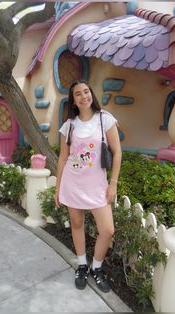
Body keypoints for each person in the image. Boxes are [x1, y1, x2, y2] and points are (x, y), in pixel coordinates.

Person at [54, 80, 122, 293]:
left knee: (108, 230)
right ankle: (82, 265)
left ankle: (97, 267)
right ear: (73, 100)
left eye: (86, 91)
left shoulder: (105, 119)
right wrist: (58, 189)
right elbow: (63, 159)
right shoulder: (69, 126)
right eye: (78, 94)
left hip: (97, 187)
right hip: (72, 183)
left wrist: (113, 184)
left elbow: (117, 152)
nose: (84, 96)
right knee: (77, 223)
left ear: (91, 94)